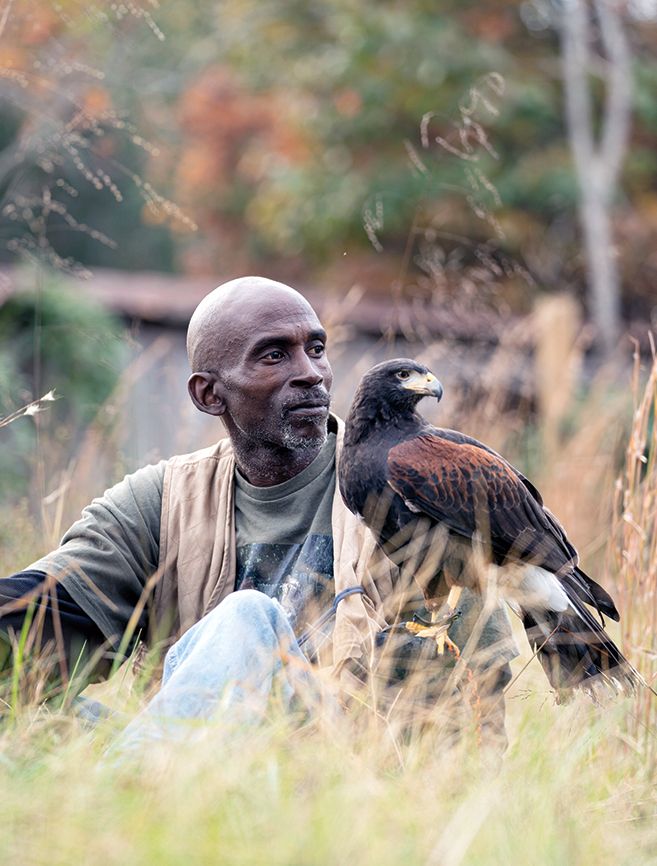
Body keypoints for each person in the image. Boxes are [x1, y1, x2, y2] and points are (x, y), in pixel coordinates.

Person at [0, 276, 517, 752]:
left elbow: (479, 705)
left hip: (341, 782)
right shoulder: (161, 503)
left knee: (250, 618)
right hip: (201, 766)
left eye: (316, 349)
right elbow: (29, 627)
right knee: (44, 716)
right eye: (274, 356)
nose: (311, 374)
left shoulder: (408, 483)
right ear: (209, 394)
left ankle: (137, 792)